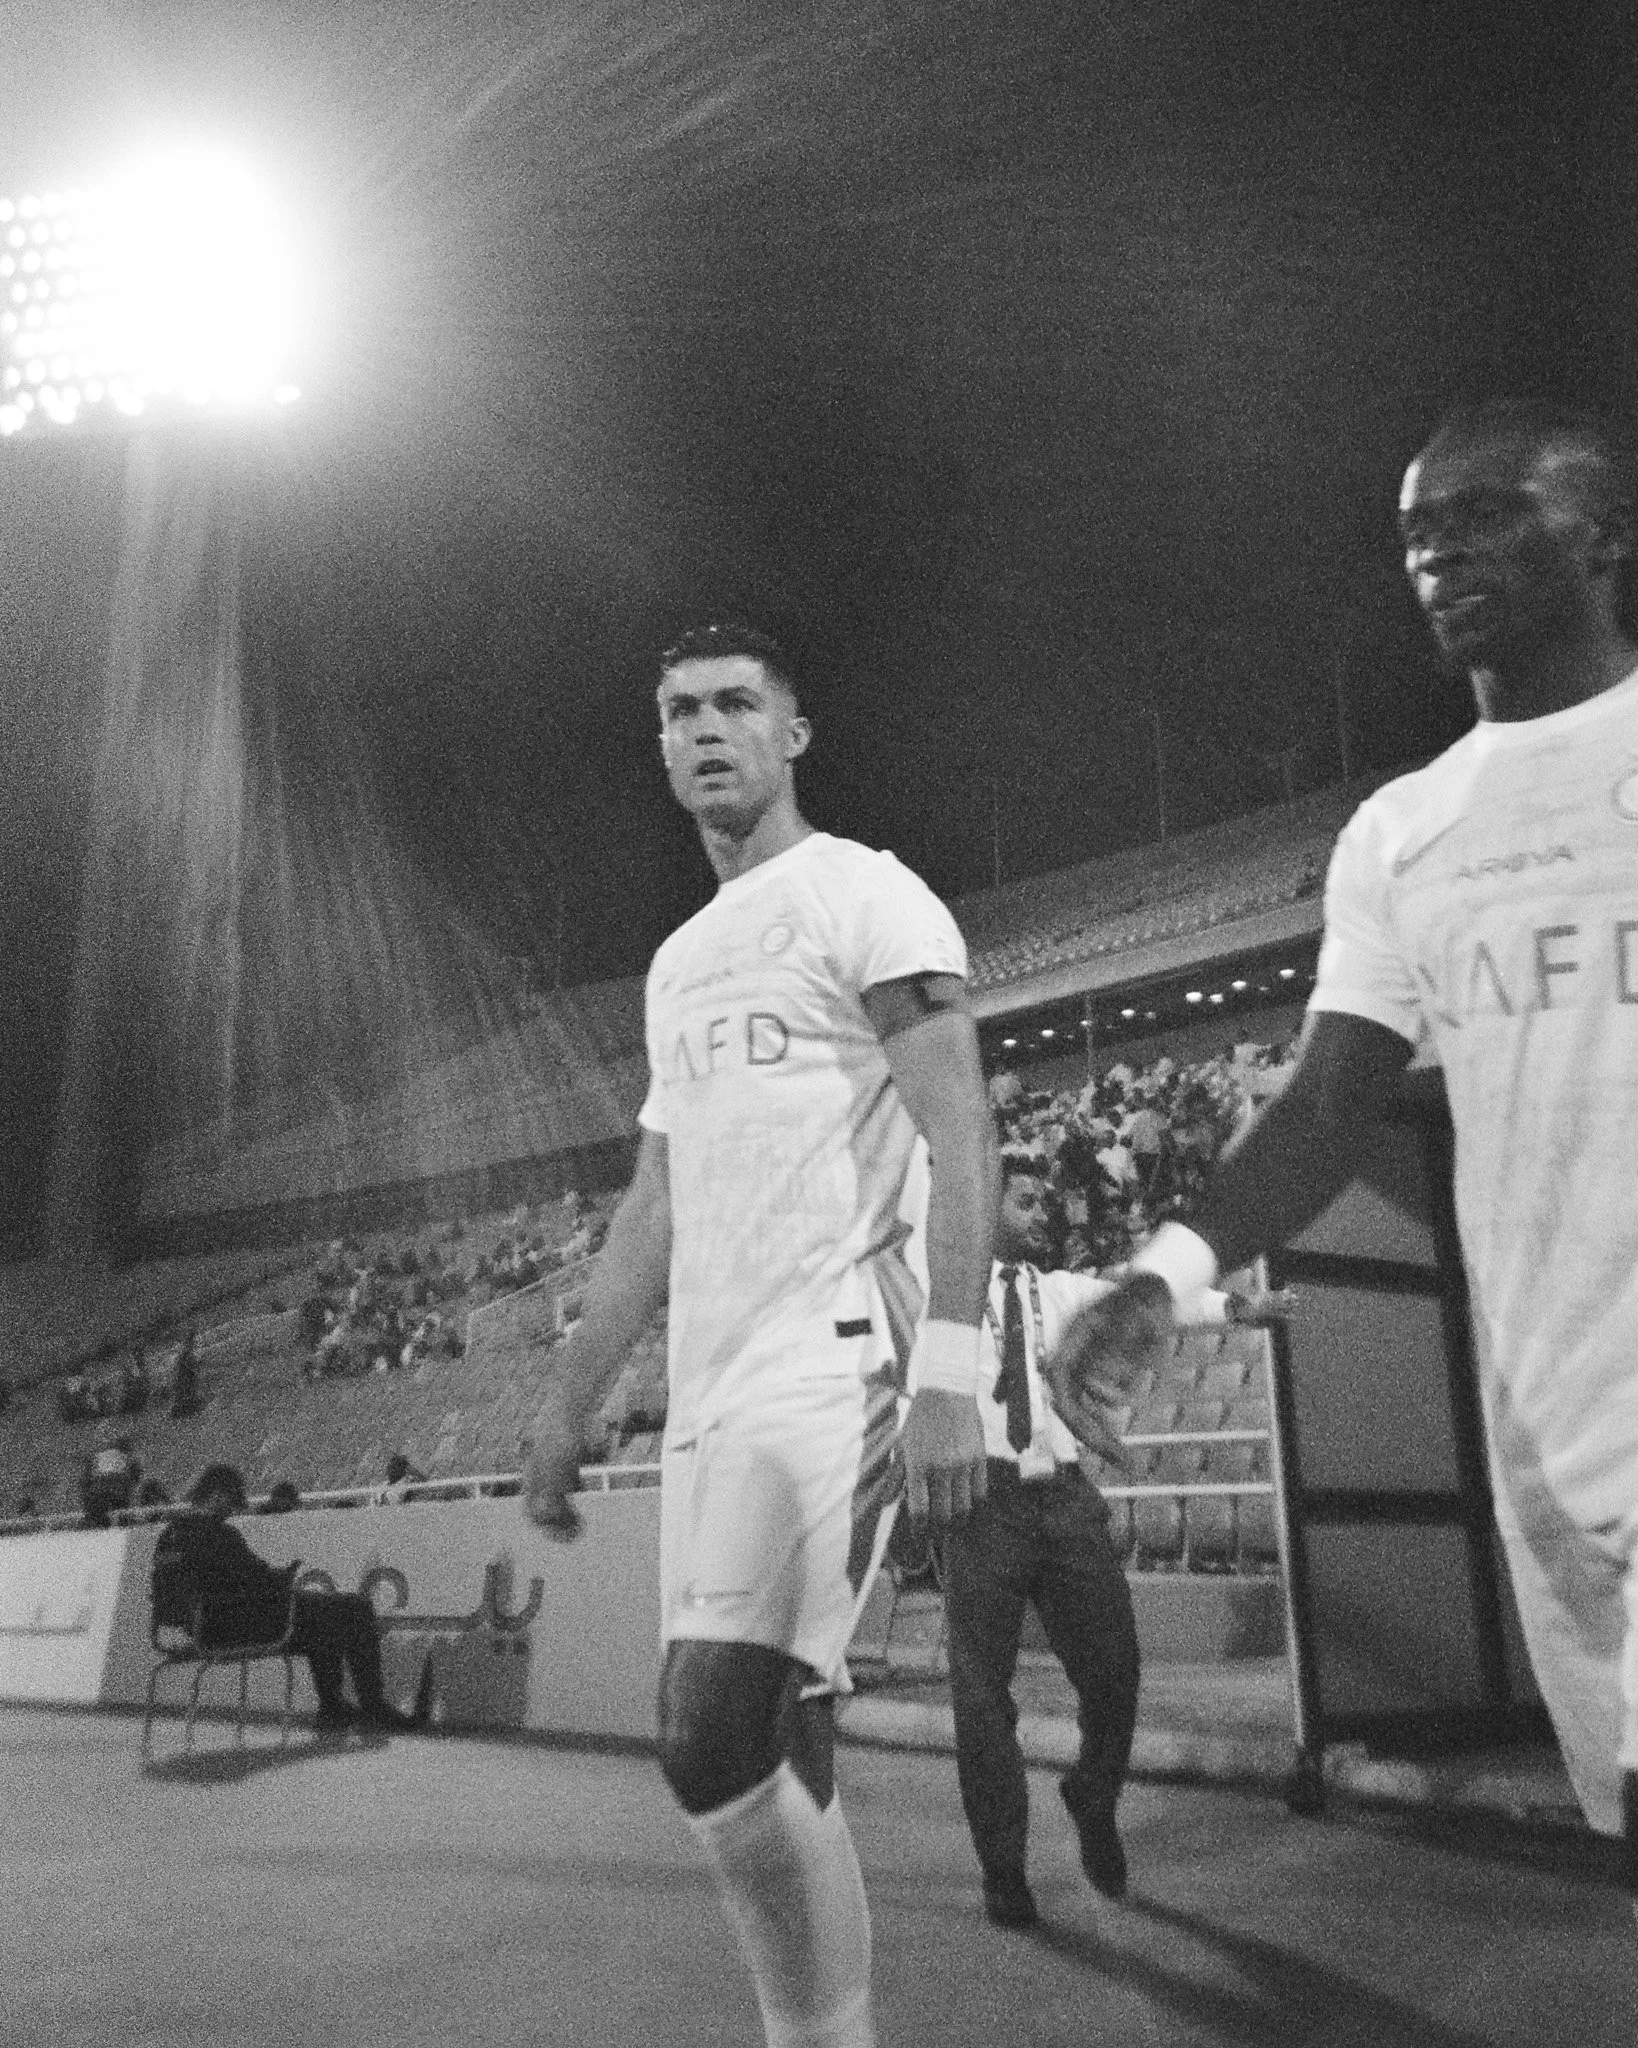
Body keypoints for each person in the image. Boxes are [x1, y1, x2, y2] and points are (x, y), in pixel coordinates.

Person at [1069, 400, 1638, 1903]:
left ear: (1603, 531)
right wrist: (1163, 1275)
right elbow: (1326, 1104)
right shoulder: (1403, 831)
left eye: (1485, 512)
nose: (1438, 549)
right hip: (1554, 1416)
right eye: (1415, 531)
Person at [523, 622, 997, 2048]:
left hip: (840, 1350)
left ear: (791, 734)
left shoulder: (864, 892)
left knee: (705, 1728)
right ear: (660, 745)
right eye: (679, 711)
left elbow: (963, 1134)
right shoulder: (679, 962)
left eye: (736, 703)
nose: (705, 729)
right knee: (776, 1729)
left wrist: (952, 1375)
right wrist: (567, 1396)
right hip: (716, 1394)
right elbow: (654, 1205)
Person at [945, 1154, 1141, 1929]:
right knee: (981, 1695)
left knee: (1116, 1671)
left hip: (1061, 1499)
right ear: (984, 1203)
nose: (1040, 1214)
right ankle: (1004, 1867)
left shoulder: (1060, 1293)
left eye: (1043, 1202)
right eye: (1023, 1200)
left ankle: (1093, 1795)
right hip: (978, 1499)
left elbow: (1147, 1299)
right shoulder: (939, 1295)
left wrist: (1240, 1307)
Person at [153, 1462, 419, 1736]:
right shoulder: (218, 1533)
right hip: (231, 1627)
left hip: (200, 1627)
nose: (231, 1512)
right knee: (355, 1607)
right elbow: (258, 1581)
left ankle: (333, 1709)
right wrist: (283, 1578)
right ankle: (371, 1707)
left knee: (321, 1625)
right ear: (218, 1495)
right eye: (231, 1504)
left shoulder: (169, 1535)